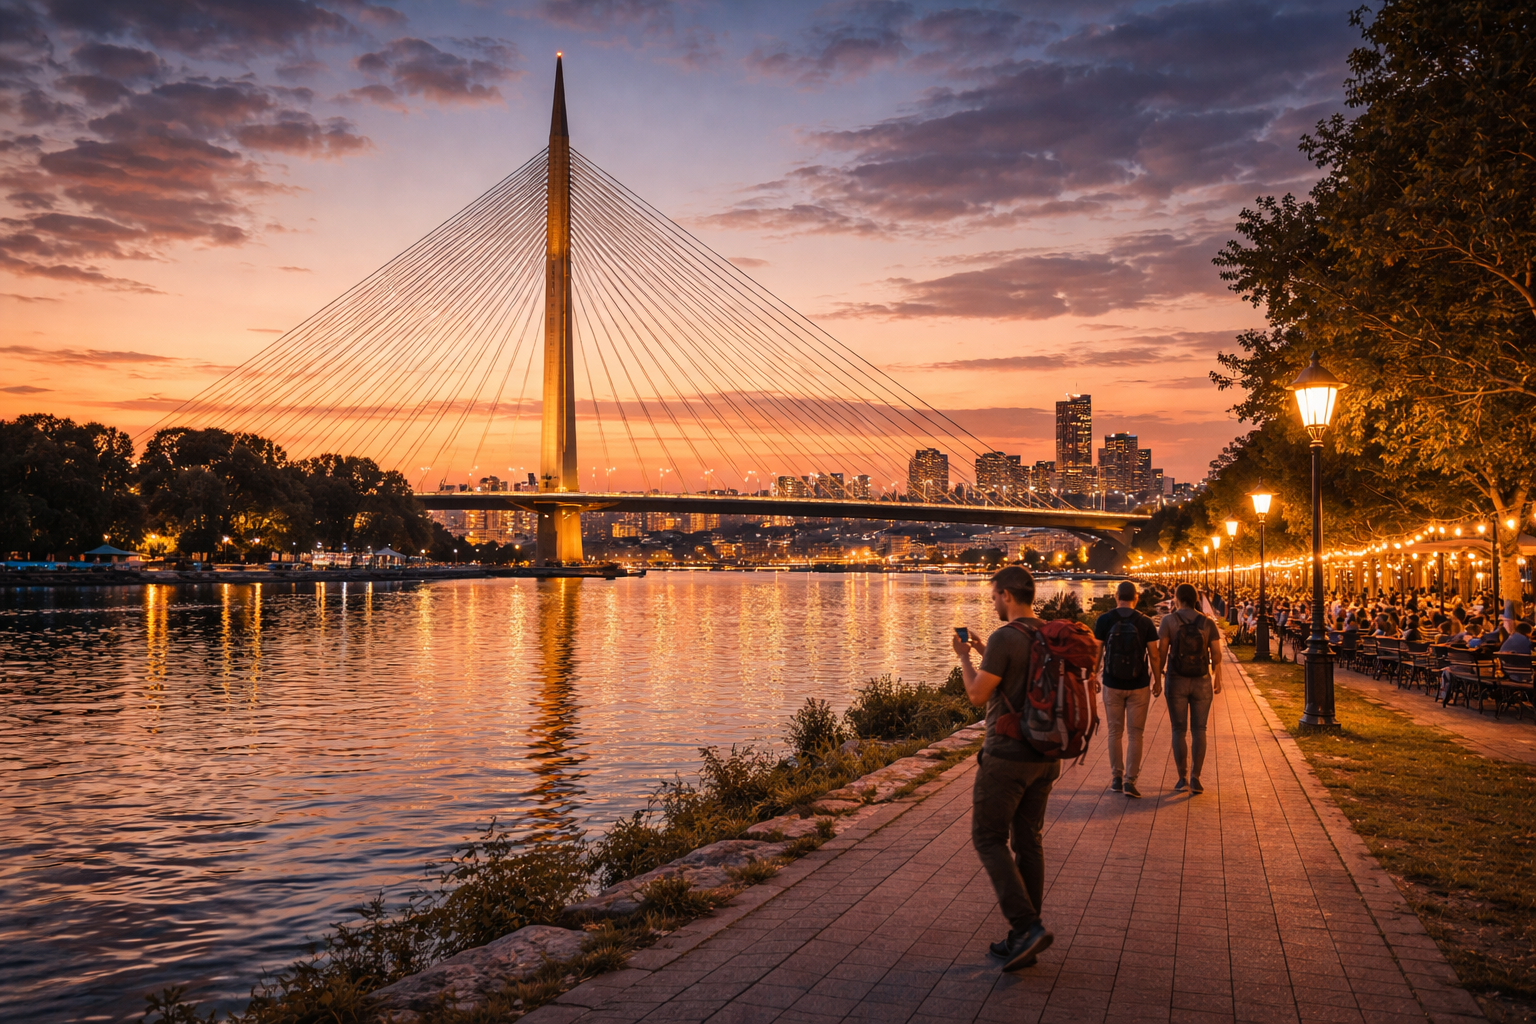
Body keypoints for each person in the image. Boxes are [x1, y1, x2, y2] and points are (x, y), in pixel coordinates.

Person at [953, 565, 1080, 972]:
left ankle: (1026, 927)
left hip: (1006, 756)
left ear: (1007, 595)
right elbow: (1019, 676)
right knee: (1028, 842)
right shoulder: (1044, 633)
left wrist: (962, 659)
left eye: (993, 596)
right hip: (1045, 756)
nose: (992, 603)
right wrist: (981, 653)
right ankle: (1024, 938)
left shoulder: (1004, 637)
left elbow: (976, 695)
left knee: (987, 838)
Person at [1154, 583, 1223, 794]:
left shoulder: (1169, 620)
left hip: (1176, 680)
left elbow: (1162, 652)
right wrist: (1216, 674)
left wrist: (1157, 678)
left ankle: (1181, 777)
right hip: (1202, 680)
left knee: (1178, 730)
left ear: (1176, 598)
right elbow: (1217, 653)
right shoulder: (1207, 622)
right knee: (1200, 730)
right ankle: (1196, 778)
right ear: (1195, 599)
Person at [1093, 581, 1160, 798]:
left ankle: (1116, 777)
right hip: (1138, 685)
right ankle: (1130, 781)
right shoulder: (1145, 622)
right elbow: (1154, 655)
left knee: (1115, 732)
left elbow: (1097, 653)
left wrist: (1094, 675)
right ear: (1136, 598)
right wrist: (1157, 680)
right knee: (1135, 734)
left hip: (1112, 683)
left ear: (1116, 597)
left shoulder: (1104, 620)